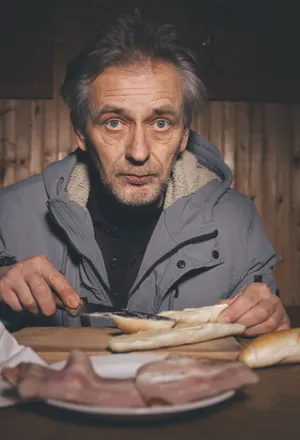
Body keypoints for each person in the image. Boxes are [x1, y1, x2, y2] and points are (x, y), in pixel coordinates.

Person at [0, 12, 290, 334]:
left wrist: (268, 316)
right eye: (114, 122)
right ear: (81, 133)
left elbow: (266, 320)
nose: (138, 152)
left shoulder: (239, 223)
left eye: (161, 123)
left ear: (183, 136)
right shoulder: (8, 214)